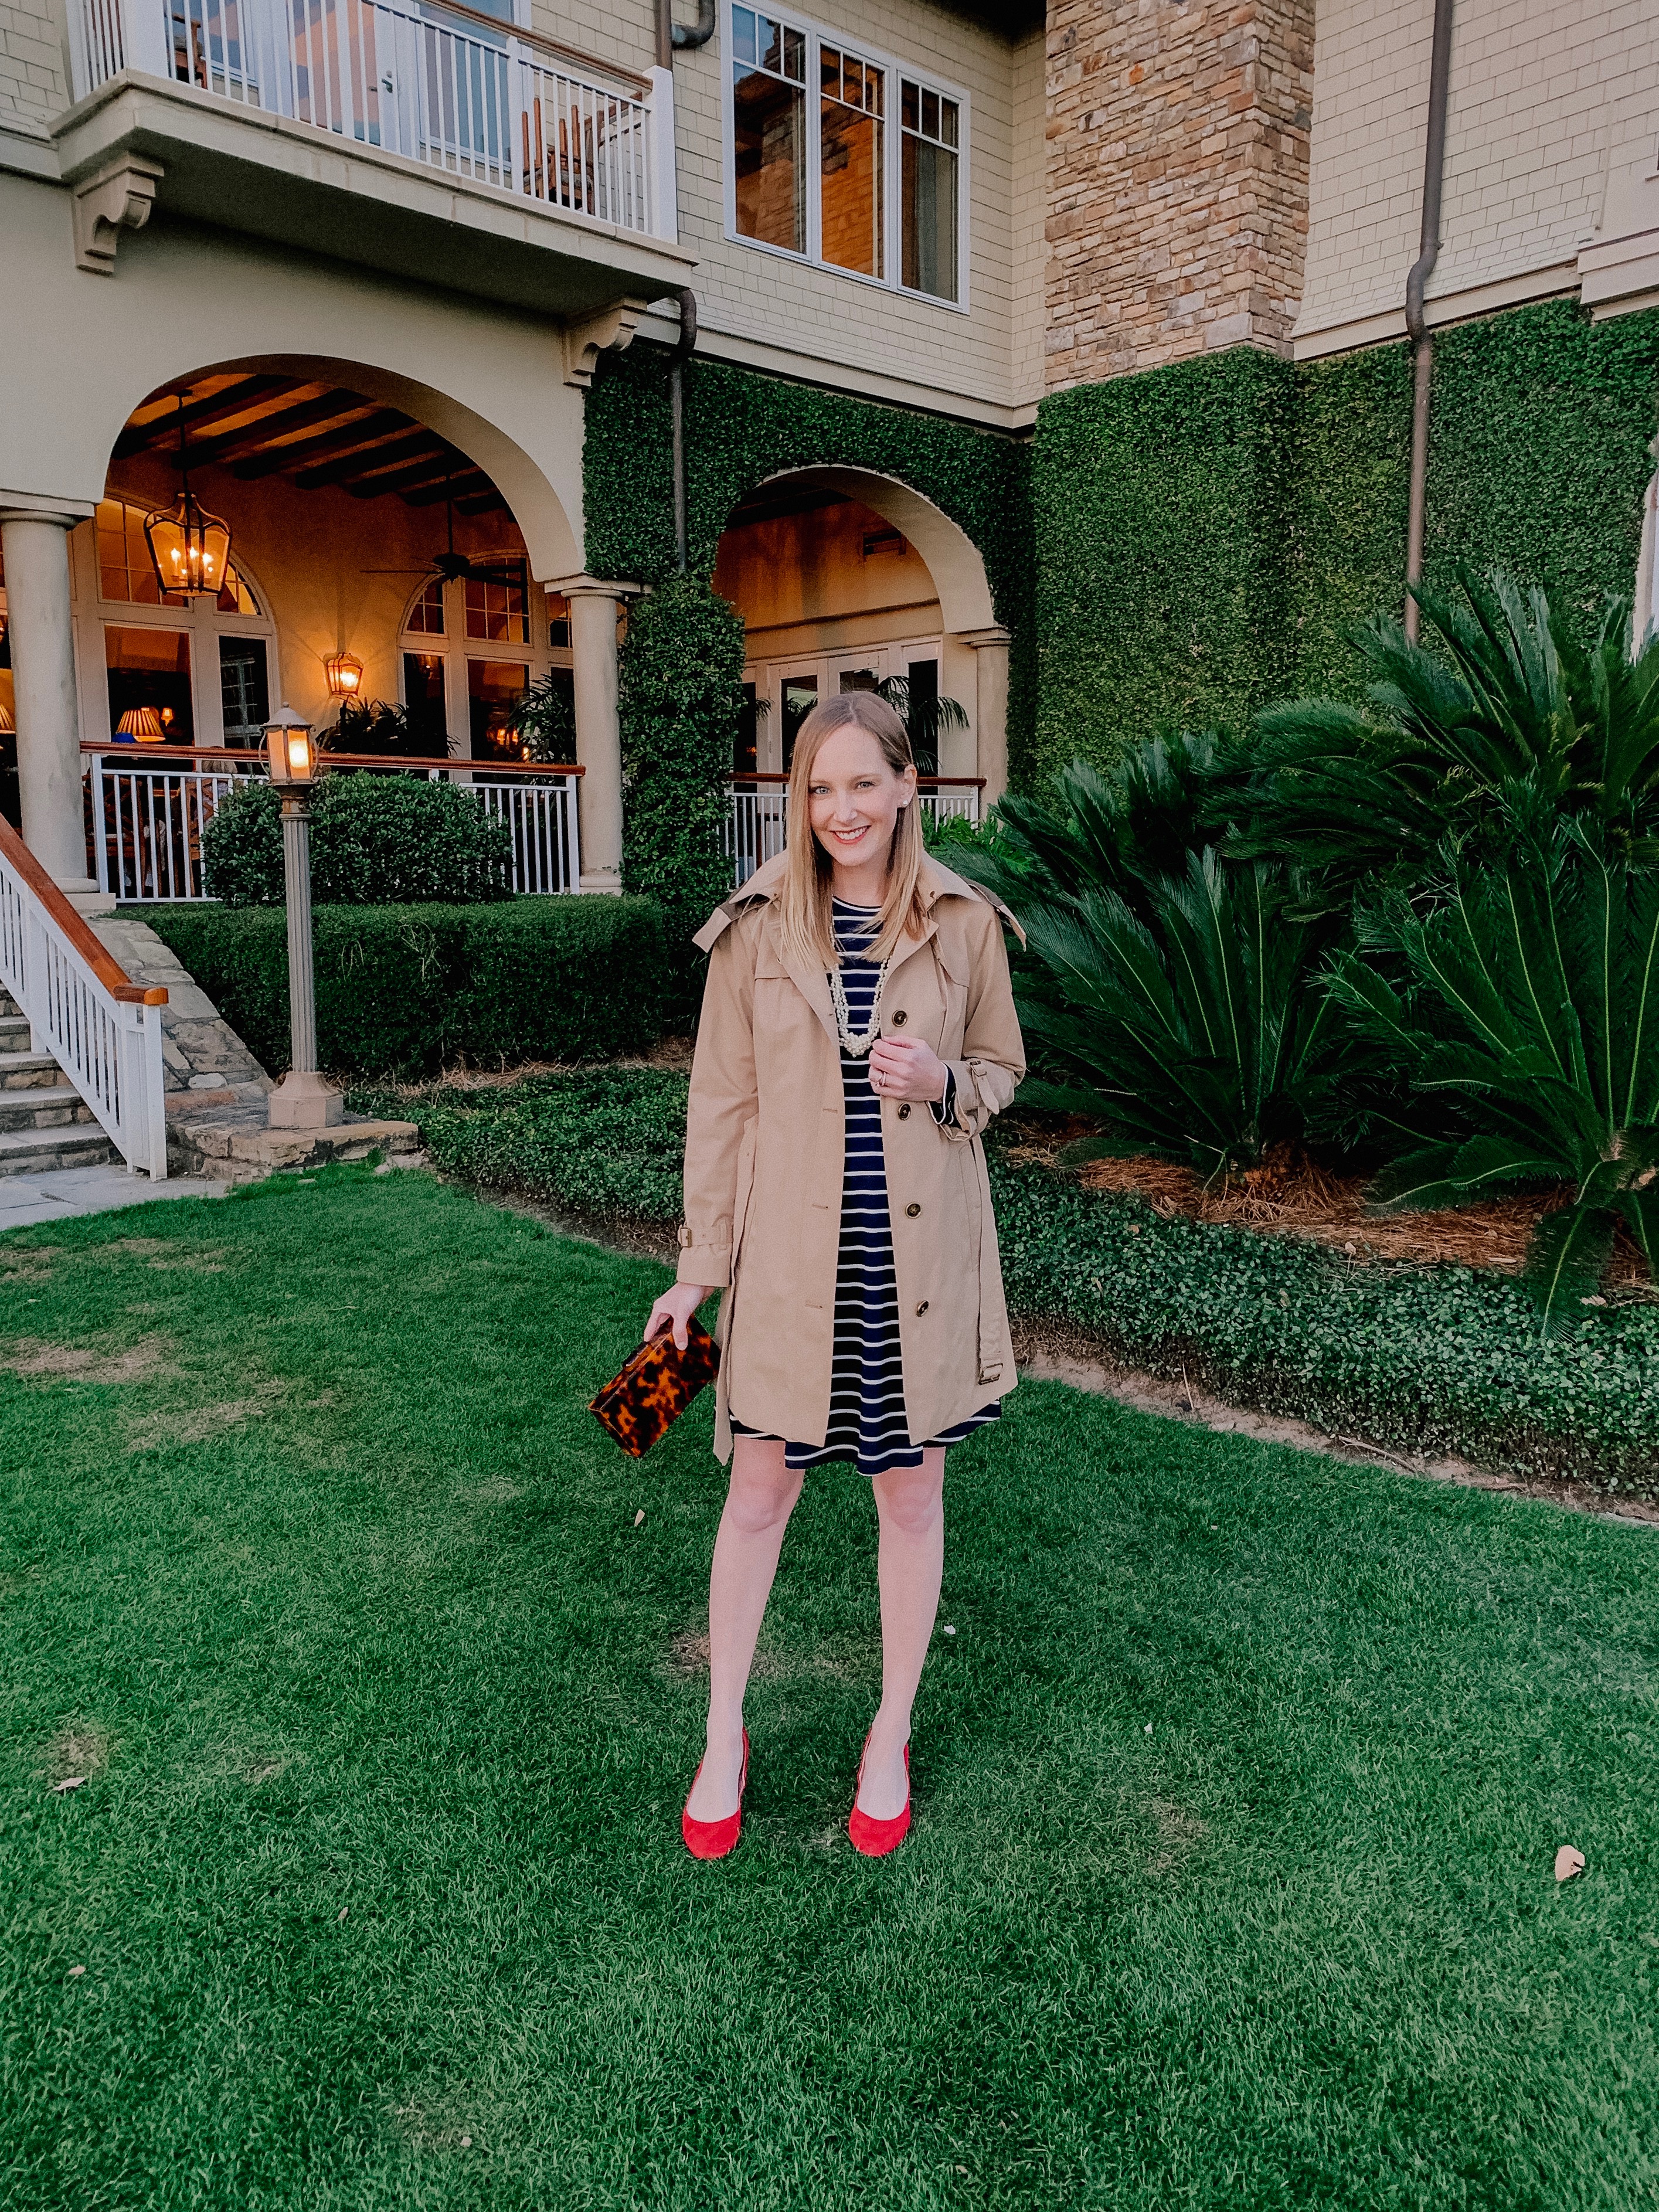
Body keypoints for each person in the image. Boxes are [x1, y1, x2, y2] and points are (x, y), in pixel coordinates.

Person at [644, 690, 1025, 1861]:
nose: (841, 809)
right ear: (796, 800)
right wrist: (695, 1273)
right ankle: (723, 1734)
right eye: (818, 787)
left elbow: (1002, 1068)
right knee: (755, 1499)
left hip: (916, 1270)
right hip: (790, 1268)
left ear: (909, 786)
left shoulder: (961, 924)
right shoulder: (755, 930)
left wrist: (943, 1083)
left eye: (864, 783)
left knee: (909, 1502)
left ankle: (888, 1733)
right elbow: (722, 1107)